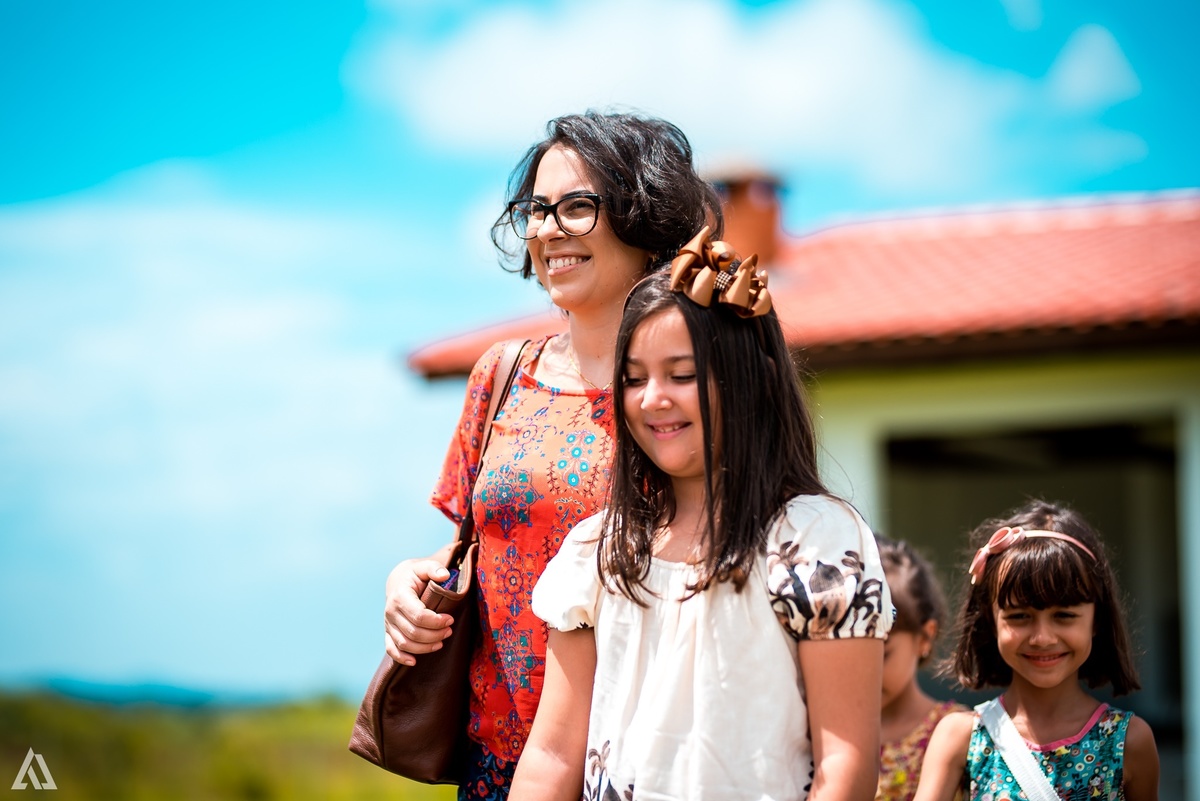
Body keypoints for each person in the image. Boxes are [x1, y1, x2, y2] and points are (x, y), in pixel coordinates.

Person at [382, 111, 723, 799]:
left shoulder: (699, 386)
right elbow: (471, 547)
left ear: (645, 216)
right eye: (535, 209)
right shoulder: (503, 373)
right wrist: (408, 582)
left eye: (576, 206)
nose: (546, 230)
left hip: (650, 763)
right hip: (499, 758)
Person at [509, 240, 893, 801]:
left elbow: (848, 763)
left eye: (681, 375)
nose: (652, 399)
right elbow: (550, 756)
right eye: (635, 378)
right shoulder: (598, 548)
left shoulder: (814, 539)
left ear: (749, 380)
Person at [913, 500, 1159, 801]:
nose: (1042, 638)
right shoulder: (961, 737)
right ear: (990, 620)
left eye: (1064, 615)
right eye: (1019, 616)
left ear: (1097, 620)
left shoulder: (1130, 741)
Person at [874, 534, 966, 801]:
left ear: (925, 637)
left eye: (883, 654)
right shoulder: (825, 730)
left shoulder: (954, 730)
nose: (864, 672)